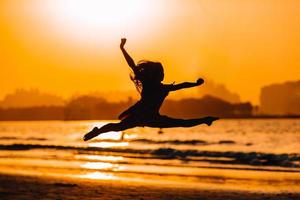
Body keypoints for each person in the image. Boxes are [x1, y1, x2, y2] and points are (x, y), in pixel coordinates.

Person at [83, 38, 219, 141]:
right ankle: (97, 131)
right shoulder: (149, 83)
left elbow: (181, 85)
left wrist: (195, 84)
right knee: (117, 127)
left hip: (150, 118)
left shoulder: (163, 87)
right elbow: (132, 64)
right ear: (156, 74)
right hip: (142, 116)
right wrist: (122, 48)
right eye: (161, 72)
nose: (163, 74)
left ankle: (205, 120)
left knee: (181, 123)